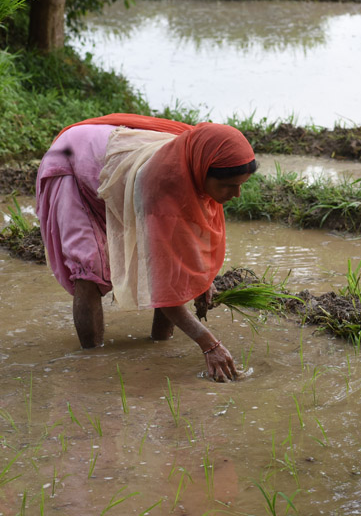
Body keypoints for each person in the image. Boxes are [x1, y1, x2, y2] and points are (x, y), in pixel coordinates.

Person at [35, 113, 257, 381]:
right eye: (227, 186)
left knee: (175, 271)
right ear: (203, 170)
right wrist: (210, 344)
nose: (236, 195)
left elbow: (181, 255)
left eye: (240, 186)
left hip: (115, 164)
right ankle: (91, 363)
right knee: (89, 267)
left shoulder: (193, 162)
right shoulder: (161, 184)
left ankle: (159, 344)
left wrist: (200, 280)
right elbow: (161, 279)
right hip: (72, 161)